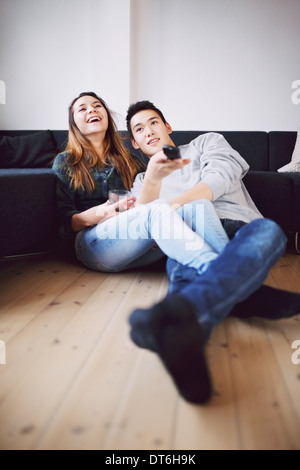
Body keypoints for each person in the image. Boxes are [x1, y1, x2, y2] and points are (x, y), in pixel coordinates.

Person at [125, 100, 300, 404]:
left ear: (167, 127)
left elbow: (221, 176)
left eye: (153, 122)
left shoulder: (206, 142)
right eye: (139, 129)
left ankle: (186, 315)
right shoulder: (143, 181)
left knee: (270, 232)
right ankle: (244, 299)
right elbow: (142, 223)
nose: (148, 131)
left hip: (238, 227)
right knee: (181, 268)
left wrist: (176, 206)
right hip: (187, 241)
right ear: (135, 143)